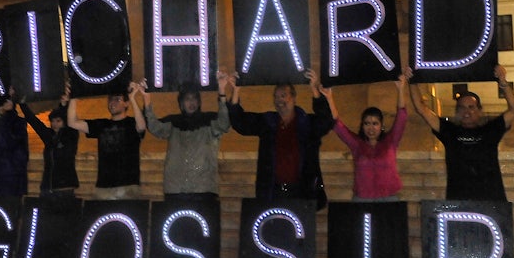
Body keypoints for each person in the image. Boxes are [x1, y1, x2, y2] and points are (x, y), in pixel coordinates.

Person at [406, 64, 514, 201]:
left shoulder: (490, 130)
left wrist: (503, 83)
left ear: (479, 110)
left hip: (491, 200)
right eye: (461, 108)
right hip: (459, 201)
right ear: (457, 112)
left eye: (471, 107)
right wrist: (411, 81)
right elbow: (421, 109)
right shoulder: (449, 131)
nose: (466, 112)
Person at [226, 69, 335, 209]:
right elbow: (240, 123)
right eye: (276, 97)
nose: (279, 100)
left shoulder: (306, 123)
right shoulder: (268, 123)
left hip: (302, 193)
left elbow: (327, 122)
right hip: (273, 193)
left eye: (283, 95)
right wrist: (236, 91)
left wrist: (314, 89)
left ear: (294, 98)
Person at [142, 72, 231, 202]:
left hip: (204, 188)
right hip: (176, 189)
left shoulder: (209, 120)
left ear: (199, 102)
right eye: (187, 99)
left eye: (194, 99)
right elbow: (154, 127)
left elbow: (224, 123)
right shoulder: (173, 122)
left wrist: (222, 92)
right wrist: (146, 99)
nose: (191, 102)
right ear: (181, 103)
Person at [324, 75, 408, 202]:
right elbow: (337, 125)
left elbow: (401, 116)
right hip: (362, 198)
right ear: (362, 126)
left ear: (381, 126)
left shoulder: (390, 142)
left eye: (375, 123)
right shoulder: (356, 144)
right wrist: (329, 98)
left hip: (389, 198)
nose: (371, 128)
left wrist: (401, 89)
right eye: (367, 123)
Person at [67, 80, 146, 200]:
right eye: (110, 99)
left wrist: (133, 99)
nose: (112, 103)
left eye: (117, 99)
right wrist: (73, 98)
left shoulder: (131, 123)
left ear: (126, 103)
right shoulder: (102, 124)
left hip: (128, 185)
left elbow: (141, 127)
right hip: (104, 186)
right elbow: (72, 123)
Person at [19, 90, 80, 200]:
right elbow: (34, 121)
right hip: (47, 187)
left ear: (64, 121)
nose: (55, 124)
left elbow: (70, 122)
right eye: (53, 121)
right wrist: (22, 104)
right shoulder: (49, 136)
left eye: (58, 121)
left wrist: (64, 105)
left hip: (65, 187)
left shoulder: (70, 135)